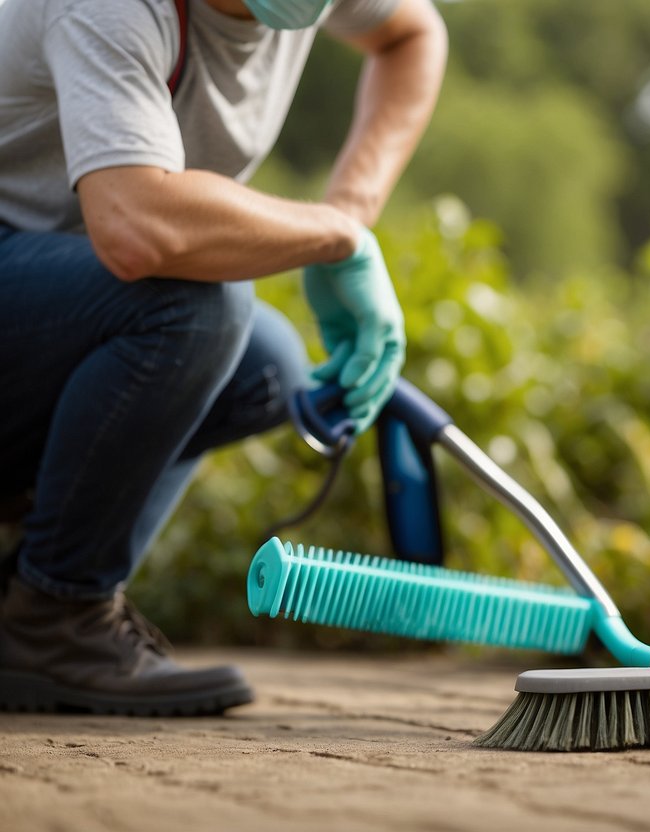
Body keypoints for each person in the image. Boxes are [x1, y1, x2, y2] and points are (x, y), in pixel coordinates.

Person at [0, 0, 447, 715]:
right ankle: (60, 614)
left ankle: (18, 599)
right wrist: (335, 237)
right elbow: (137, 227)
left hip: (44, 301)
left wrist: (353, 211)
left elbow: (412, 34)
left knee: (267, 364)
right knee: (197, 306)